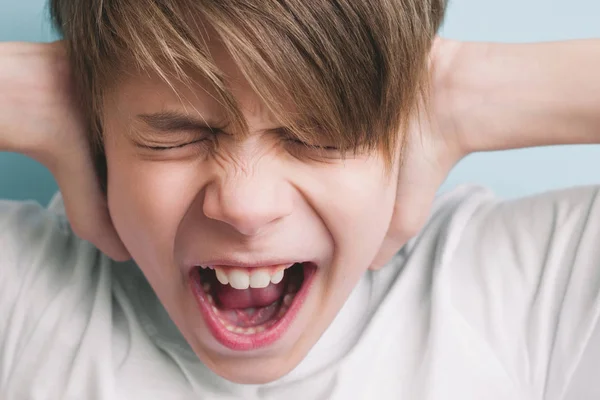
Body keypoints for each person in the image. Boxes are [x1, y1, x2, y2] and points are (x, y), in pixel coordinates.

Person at [0, 0, 599, 398]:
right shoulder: (24, 295)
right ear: (97, 136)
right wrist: (39, 92)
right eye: (175, 136)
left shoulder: (530, 290)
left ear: (407, 130)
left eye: (320, 137)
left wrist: (465, 85)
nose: (245, 205)